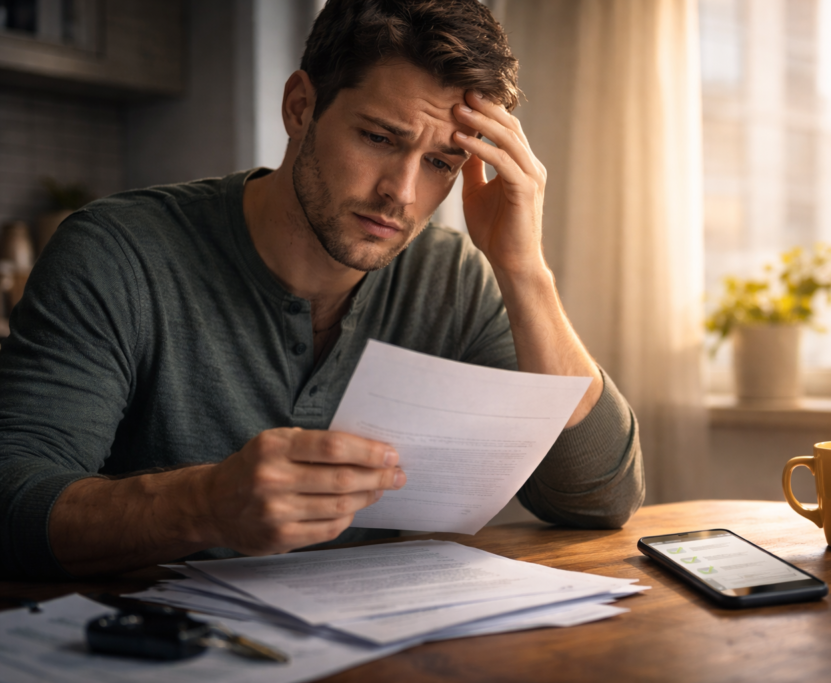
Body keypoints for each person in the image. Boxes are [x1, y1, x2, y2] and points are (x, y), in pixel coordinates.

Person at [0, 0, 644, 580]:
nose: (403, 192)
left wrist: (524, 269)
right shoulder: (117, 252)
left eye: (441, 164)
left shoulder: (451, 278)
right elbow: (12, 497)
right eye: (378, 138)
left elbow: (597, 499)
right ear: (300, 106)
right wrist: (201, 506)